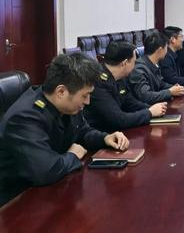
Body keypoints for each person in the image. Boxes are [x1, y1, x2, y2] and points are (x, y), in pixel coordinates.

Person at [0, 53, 130, 206]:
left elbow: (82, 131)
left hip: (55, 187)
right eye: (85, 96)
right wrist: (72, 155)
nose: (88, 102)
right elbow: (46, 171)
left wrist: (105, 138)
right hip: (18, 200)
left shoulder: (67, 106)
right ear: (61, 92)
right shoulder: (24, 118)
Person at [84, 40, 168, 132]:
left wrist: (151, 107)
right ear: (125, 63)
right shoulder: (98, 83)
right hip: (102, 135)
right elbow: (119, 120)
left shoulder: (120, 76)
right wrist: (149, 112)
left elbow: (129, 102)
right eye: (134, 62)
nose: (135, 65)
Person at [129, 32, 184, 105]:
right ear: (160, 50)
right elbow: (145, 96)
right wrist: (170, 92)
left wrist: (174, 87)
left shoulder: (154, 62)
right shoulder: (139, 69)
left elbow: (160, 83)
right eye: (166, 47)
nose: (167, 51)